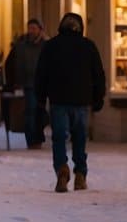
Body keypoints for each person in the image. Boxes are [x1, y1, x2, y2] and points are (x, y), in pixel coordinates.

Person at [34, 13, 105, 192]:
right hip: (82, 100)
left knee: (59, 137)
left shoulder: (51, 46)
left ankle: (62, 169)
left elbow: (41, 75)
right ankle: (80, 174)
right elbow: (98, 74)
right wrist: (98, 98)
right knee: (80, 138)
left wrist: (41, 99)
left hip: (58, 100)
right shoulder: (88, 46)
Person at [4, 19, 47, 148]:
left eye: (34, 28)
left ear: (40, 29)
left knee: (40, 111)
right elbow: (10, 64)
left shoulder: (45, 45)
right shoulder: (21, 46)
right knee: (30, 111)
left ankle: (38, 137)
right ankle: (32, 139)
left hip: (42, 84)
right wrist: (14, 82)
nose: (31, 31)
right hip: (27, 84)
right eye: (30, 28)